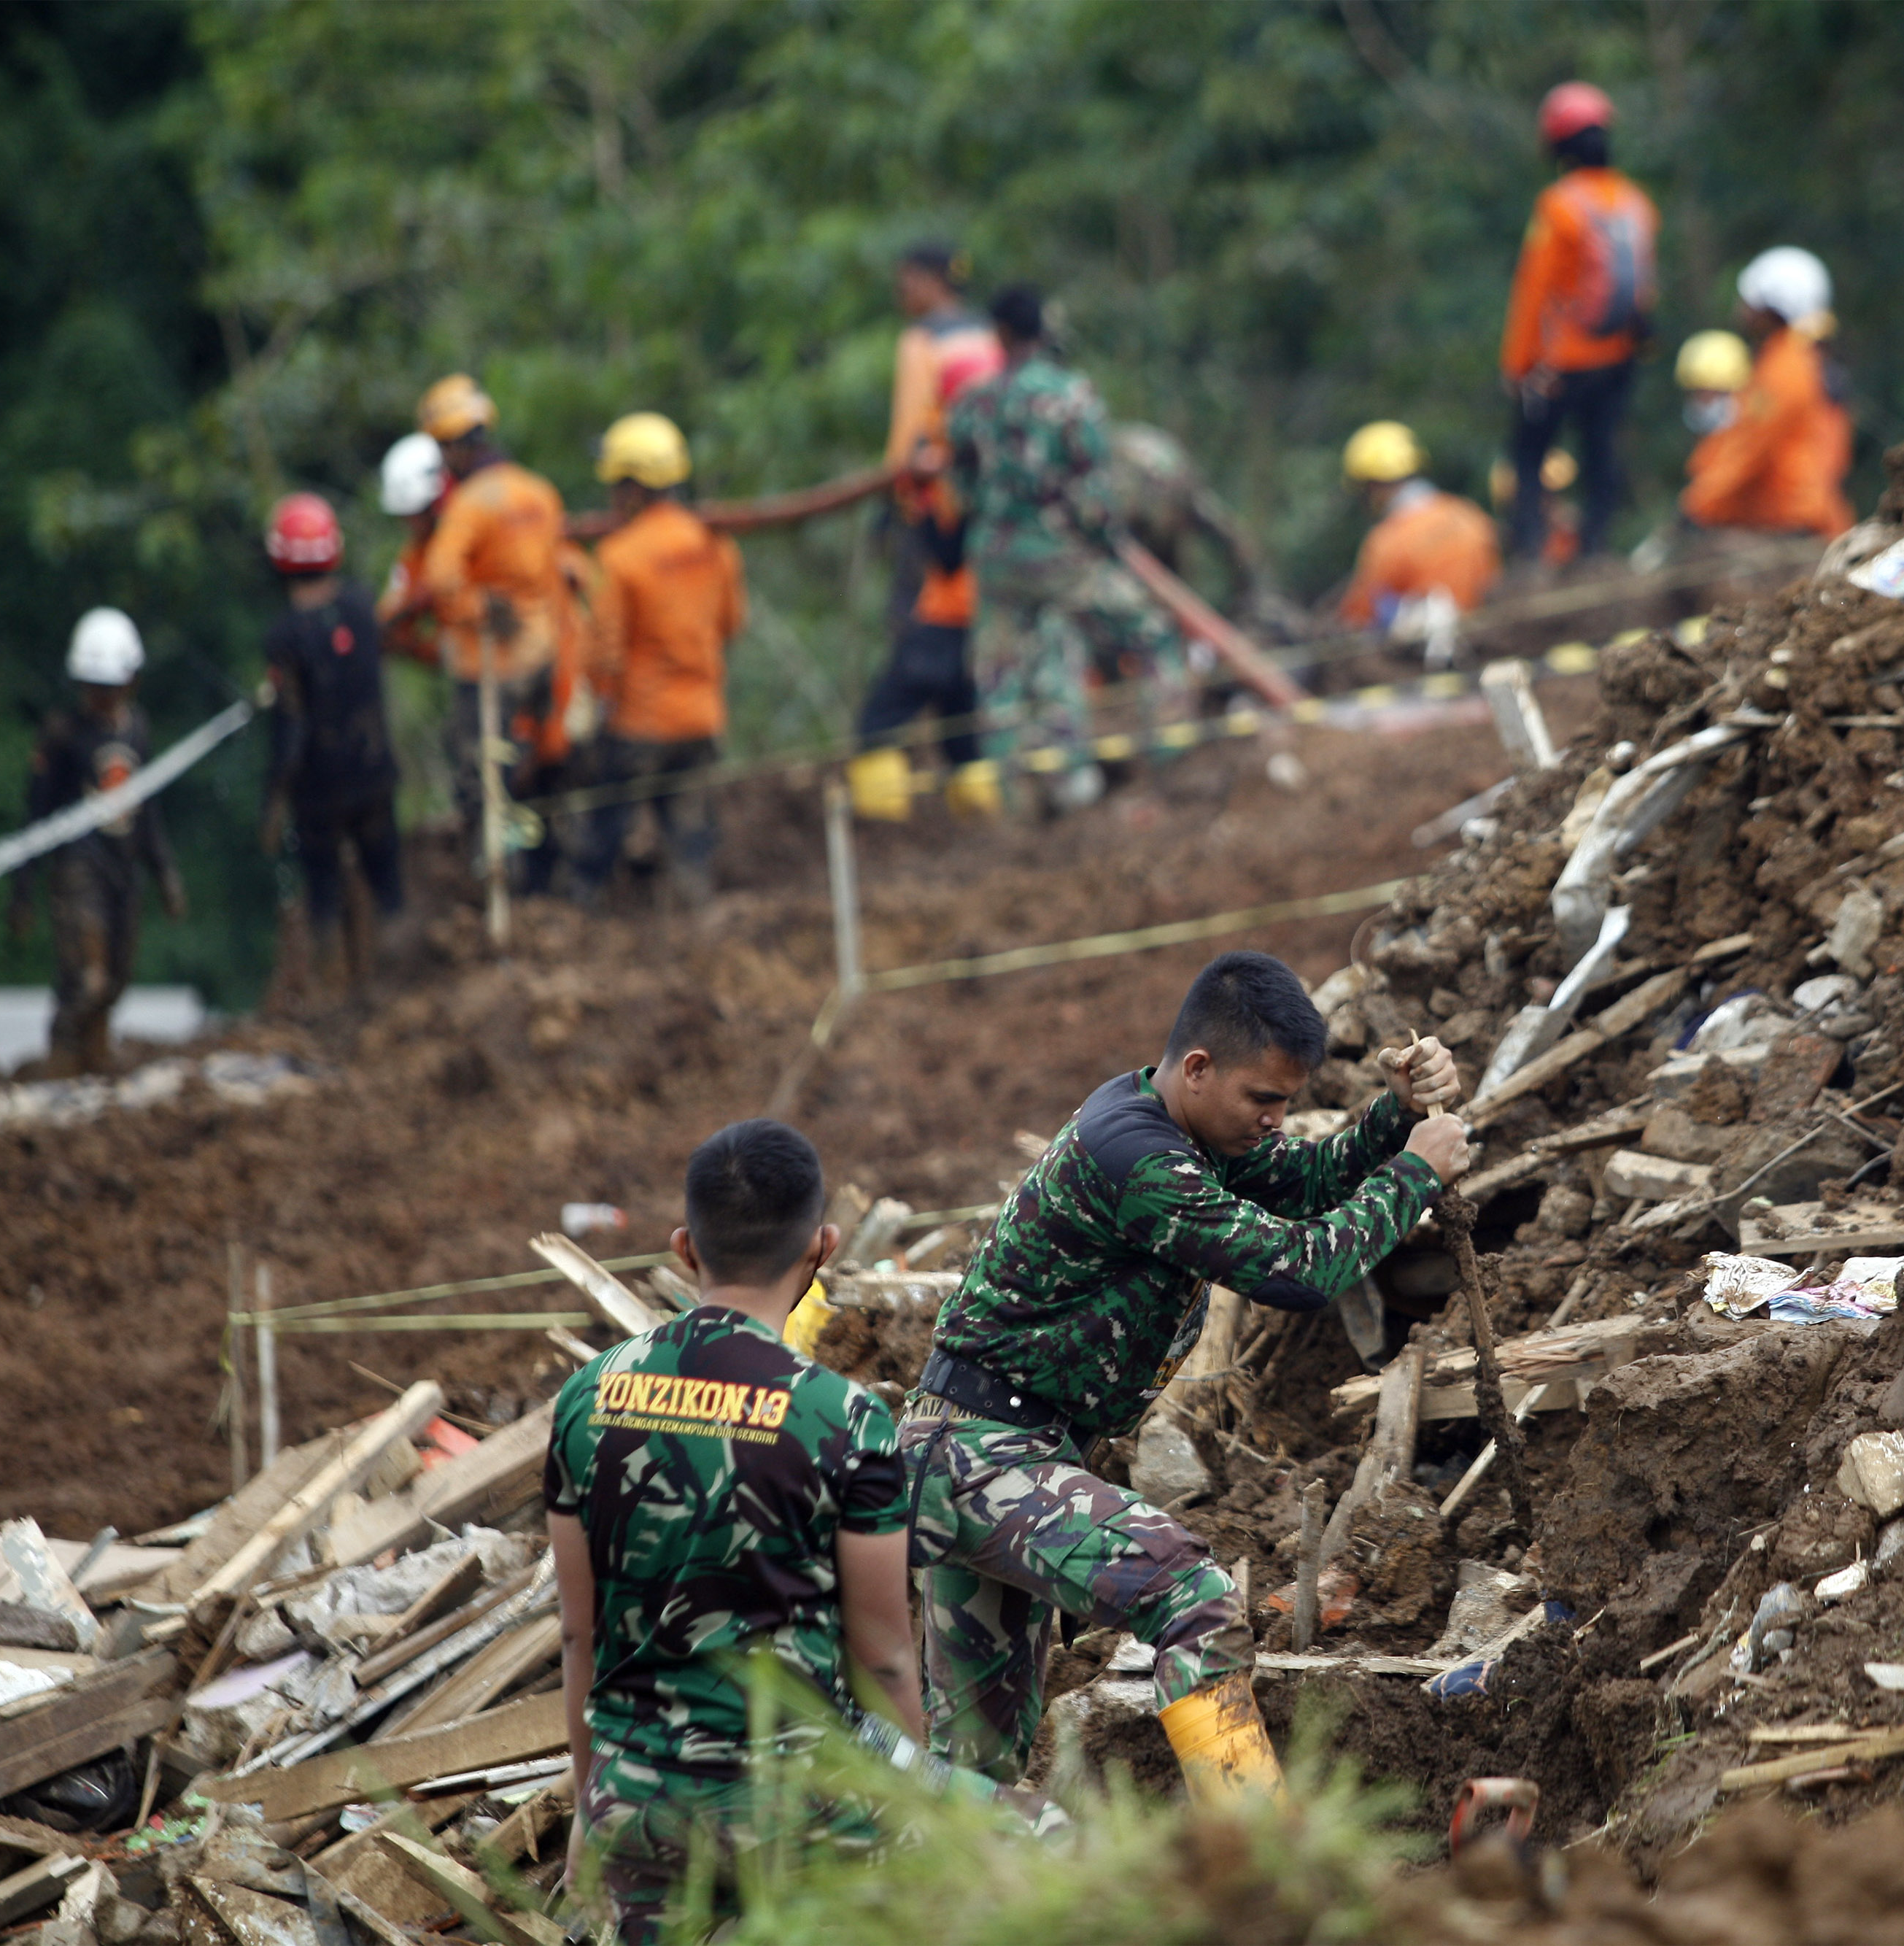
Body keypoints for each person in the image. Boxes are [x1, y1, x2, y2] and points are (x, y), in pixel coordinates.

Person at [900, 951, 1473, 1796]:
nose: (1277, 1121)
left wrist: (1396, 1116)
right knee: (1187, 1591)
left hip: (991, 1451)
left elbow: (1308, 1188)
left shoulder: (1181, 1126)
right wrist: (1415, 1171)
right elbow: (1297, 1270)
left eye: (1286, 1102)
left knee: (977, 1763)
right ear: (1199, 1068)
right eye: (1264, 1100)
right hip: (980, 1452)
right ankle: (1253, 1858)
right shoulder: (1137, 1155)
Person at [549, 1119, 1041, 1945]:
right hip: (797, 1805)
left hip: (636, 1806)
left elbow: (577, 1633)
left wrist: (589, 1808)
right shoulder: (842, 1419)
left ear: (682, 1249)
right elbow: (883, 1654)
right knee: (1047, 1841)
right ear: (823, 1247)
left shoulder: (586, 1397)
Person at [949, 283, 1191, 813]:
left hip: (994, 560)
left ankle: (1013, 805)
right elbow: (1094, 493)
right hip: (1061, 558)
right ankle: (1173, 766)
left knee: (1002, 676)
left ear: (1001, 335)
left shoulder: (973, 403)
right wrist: (1105, 544)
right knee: (1154, 637)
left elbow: (961, 488)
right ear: (1046, 332)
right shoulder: (1071, 396)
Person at [856, 242, 1005, 822]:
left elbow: (909, 432)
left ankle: (881, 811)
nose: (901, 292)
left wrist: (896, 499)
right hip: (989, 519)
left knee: (919, 643)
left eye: (906, 279)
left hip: (936, 512)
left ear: (929, 281)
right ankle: (975, 791)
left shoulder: (923, 343)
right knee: (962, 656)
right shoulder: (989, 337)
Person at [9, 609, 186, 1077]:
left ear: (132, 681)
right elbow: (37, 814)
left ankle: (95, 1057)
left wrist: (165, 872)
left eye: (111, 685)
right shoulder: (62, 733)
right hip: (77, 871)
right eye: (94, 684)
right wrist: (23, 888)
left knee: (117, 981)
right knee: (88, 979)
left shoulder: (138, 730)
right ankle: (62, 1057)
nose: (102, 695)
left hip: (122, 869)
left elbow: (147, 809)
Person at [579, 412, 746, 907]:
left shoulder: (618, 556)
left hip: (642, 722)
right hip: (702, 716)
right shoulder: (715, 543)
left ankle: (577, 921)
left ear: (632, 487)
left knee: (604, 828)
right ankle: (695, 924)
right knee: (691, 834)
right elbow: (732, 623)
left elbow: (604, 654)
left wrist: (595, 707)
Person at [412, 374, 576, 862]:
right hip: (541, 654)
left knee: (482, 777)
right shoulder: (538, 492)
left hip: (488, 670)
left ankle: (497, 870)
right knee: (538, 770)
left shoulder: (469, 505)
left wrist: (477, 607)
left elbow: (441, 578)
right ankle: (544, 864)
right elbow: (559, 565)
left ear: (454, 447)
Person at [1500, 80, 1657, 570]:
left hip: (1562, 360)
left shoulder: (1559, 205)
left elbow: (1533, 290)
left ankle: (1530, 554)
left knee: (1528, 455)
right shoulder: (1635, 200)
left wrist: (1517, 362)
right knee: (1601, 453)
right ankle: (1594, 550)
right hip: (1617, 356)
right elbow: (1644, 282)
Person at [258, 493, 403, 996]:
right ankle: (396, 978)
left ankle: (334, 990)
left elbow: (290, 725)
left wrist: (275, 797)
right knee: (386, 880)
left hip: (321, 791)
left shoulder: (283, 636)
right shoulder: (364, 607)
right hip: (375, 771)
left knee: (323, 892)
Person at [1678, 247, 1854, 540]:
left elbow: (1752, 447)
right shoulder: (1781, 361)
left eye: (1749, 301)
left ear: (1771, 308)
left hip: (1792, 519)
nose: (1741, 309)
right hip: (1785, 517)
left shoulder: (1785, 368)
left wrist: (1698, 504)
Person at [1338, 420, 1499, 657]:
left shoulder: (1385, 541)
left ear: (1373, 486)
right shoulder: (1471, 516)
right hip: (1484, 640)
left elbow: (1359, 617)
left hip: (1421, 660)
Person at [373, 432, 446, 663]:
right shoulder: (415, 558)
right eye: (405, 514)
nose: (411, 522)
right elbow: (388, 614)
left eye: (417, 511)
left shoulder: (476, 534)